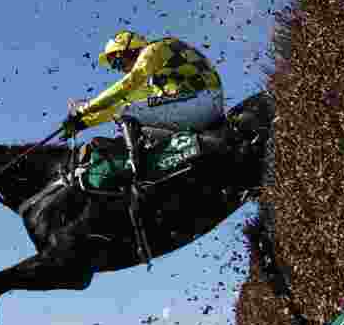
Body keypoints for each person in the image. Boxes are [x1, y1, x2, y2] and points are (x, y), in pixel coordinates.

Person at [60, 31, 231, 218]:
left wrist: (86, 108)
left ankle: (138, 176)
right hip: (199, 102)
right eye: (114, 66)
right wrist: (83, 123)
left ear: (129, 49)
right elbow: (118, 106)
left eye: (117, 61)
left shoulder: (155, 49)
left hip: (201, 99)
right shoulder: (154, 76)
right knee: (129, 112)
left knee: (128, 113)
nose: (119, 68)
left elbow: (128, 84)